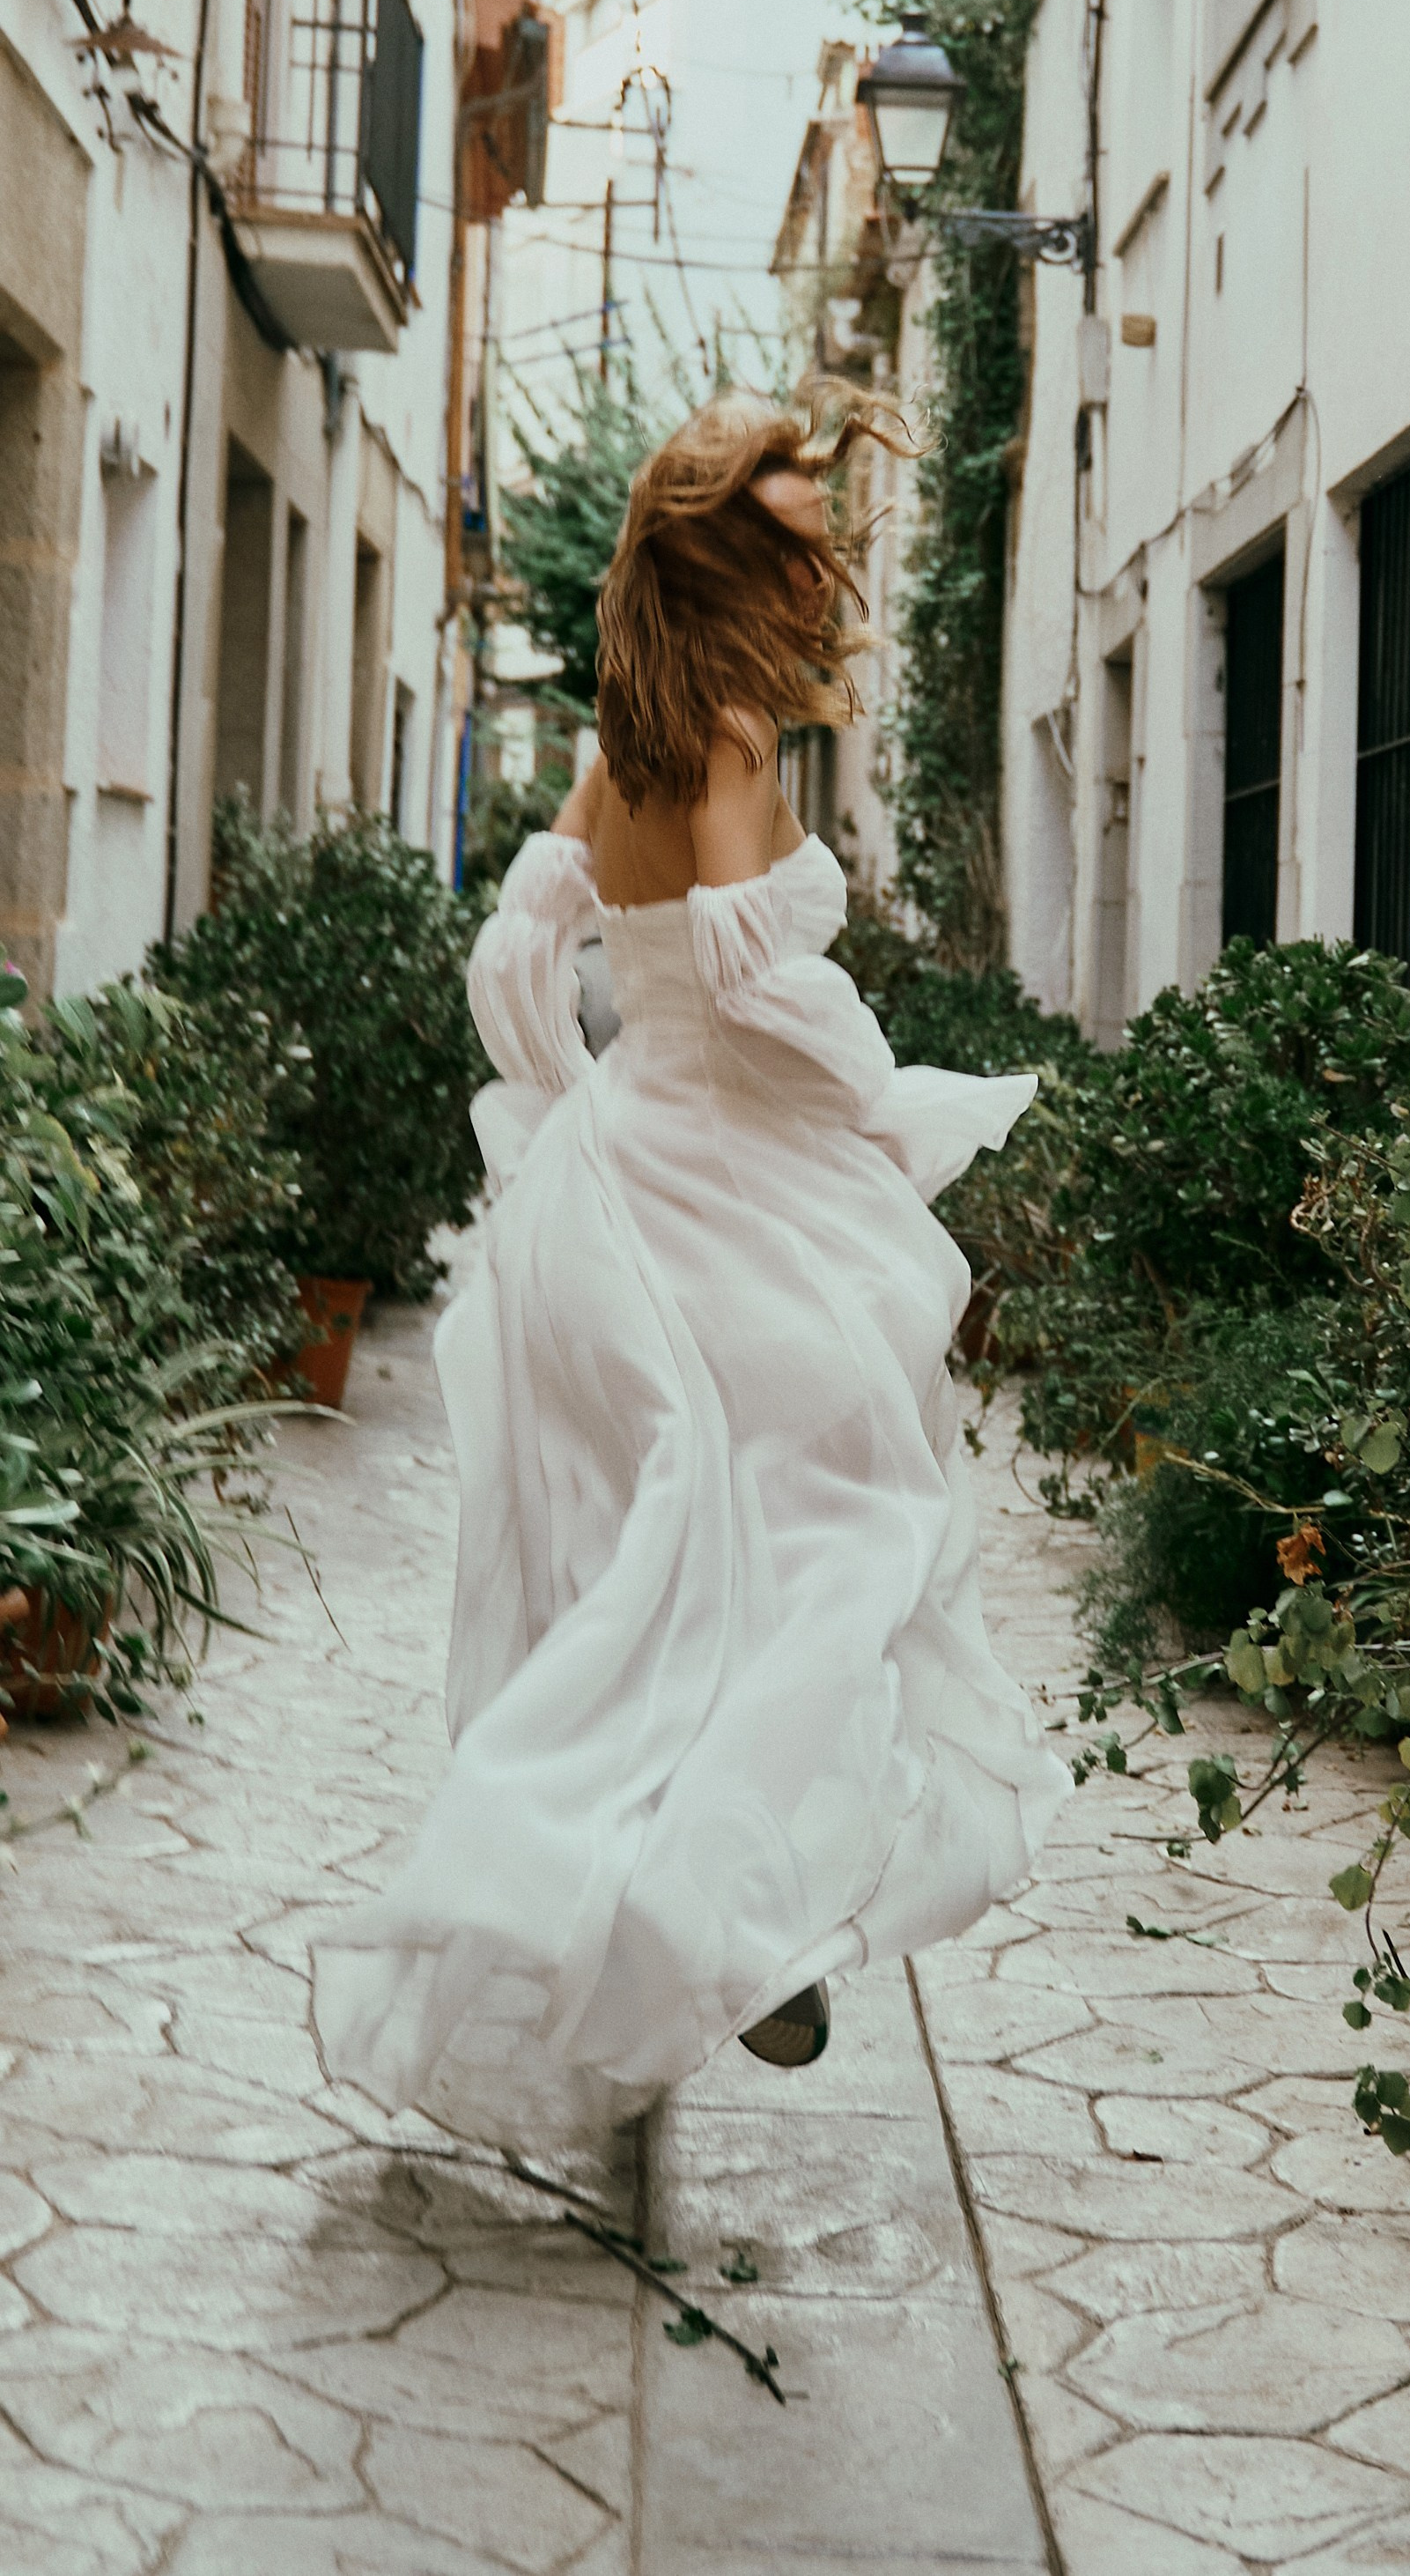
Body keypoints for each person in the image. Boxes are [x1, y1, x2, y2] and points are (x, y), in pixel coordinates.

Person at [313, 387, 1067, 2140]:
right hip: (725, 1190)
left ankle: (676, 1897)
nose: (818, 578)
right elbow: (752, 979)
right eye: (792, 546)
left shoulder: (624, 734)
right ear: (726, 565)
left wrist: (567, 1104)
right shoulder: (726, 735)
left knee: (674, 1571)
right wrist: (872, 1103)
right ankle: (718, 1914)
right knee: (833, 1541)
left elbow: (520, 953)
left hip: (618, 1181)